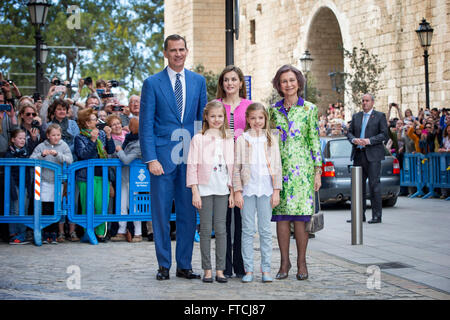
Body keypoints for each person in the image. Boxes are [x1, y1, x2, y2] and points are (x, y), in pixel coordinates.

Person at [139, 34, 207, 280]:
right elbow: (146, 124)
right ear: (165, 53)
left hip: (190, 158)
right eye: (173, 50)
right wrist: (151, 159)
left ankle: (184, 265)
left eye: (182, 49)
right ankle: (163, 265)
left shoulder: (198, 82)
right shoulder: (152, 83)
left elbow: (202, 122)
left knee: (189, 214)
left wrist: (202, 158)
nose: (178, 54)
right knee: (160, 214)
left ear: (187, 51)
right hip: (162, 160)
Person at [268, 65, 322, 281]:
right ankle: (284, 262)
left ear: (298, 82)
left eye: (291, 80)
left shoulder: (309, 109)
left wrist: (317, 171)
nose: (288, 84)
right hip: (279, 170)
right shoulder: (273, 110)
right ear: (279, 85)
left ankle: (301, 262)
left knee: (300, 219)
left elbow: (314, 141)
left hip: (303, 172)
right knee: (281, 219)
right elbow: (269, 140)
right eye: (284, 81)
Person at [186, 100, 234, 283]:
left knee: (221, 229)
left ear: (224, 118)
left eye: (220, 116)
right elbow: (191, 166)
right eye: (212, 116)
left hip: (222, 189)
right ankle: (207, 269)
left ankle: (220, 269)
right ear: (206, 117)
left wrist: (232, 191)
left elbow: (233, 166)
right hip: (204, 190)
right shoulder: (198, 139)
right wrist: (194, 191)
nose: (216, 119)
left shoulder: (229, 139)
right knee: (205, 229)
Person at [233, 102, 282, 283]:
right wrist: (237, 191)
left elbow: (277, 167)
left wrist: (276, 191)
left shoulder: (270, 139)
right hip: (247, 190)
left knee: (265, 231)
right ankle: (249, 270)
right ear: (247, 119)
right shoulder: (241, 139)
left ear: (265, 119)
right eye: (253, 118)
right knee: (247, 230)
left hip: (266, 190)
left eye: (260, 118)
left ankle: (266, 269)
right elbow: (236, 168)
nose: (257, 121)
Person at [216, 65, 252, 279]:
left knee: (242, 219)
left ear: (240, 83)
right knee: (222, 220)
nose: (229, 83)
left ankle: (240, 264)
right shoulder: (215, 106)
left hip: (243, 168)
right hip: (220, 167)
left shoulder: (249, 106)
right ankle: (224, 264)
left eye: (233, 79)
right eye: (226, 80)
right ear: (222, 84)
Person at [74, 108, 115, 242]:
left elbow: (110, 150)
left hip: (102, 175)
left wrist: (109, 137)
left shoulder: (102, 134)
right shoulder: (79, 137)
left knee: (101, 205)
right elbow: (83, 155)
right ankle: (88, 231)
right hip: (86, 177)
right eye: (94, 119)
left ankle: (100, 234)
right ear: (86, 123)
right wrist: (92, 140)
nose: (97, 121)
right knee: (88, 205)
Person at [347, 93, 389, 224]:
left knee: (374, 185)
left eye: (367, 101)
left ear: (372, 102)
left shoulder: (379, 116)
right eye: (363, 101)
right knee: (357, 186)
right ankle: (359, 215)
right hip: (359, 155)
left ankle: (377, 215)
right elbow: (349, 132)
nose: (364, 103)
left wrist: (369, 140)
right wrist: (354, 139)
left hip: (373, 155)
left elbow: (384, 135)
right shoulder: (356, 116)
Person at [30, 124, 74, 243]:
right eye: (53, 135)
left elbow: (70, 159)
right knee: (45, 207)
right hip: (44, 181)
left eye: (58, 135)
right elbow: (31, 159)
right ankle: (45, 232)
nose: (56, 137)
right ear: (48, 135)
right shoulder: (41, 146)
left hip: (58, 182)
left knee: (56, 207)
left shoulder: (63, 145)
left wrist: (57, 155)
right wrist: (42, 155)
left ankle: (54, 233)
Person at [110, 118, 144, 242]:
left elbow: (126, 160)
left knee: (134, 205)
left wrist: (119, 150)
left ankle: (138, 232)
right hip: (124, 177)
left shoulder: (139, 143)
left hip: (134, 179)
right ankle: (121, 230)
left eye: (130, 125)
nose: (127, 127)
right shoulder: (129, 139)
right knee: (122, 204)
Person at [5, 129, 32, 244]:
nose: (22, 140)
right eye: (20, 138)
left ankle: (22, 233)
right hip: (14, 184)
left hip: (25, 184)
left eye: (24, 138)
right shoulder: (9, 153)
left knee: (24, 209)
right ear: (13, 139)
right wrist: (11, 188)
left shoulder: (26, 152)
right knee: (15, 209)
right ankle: (13, 234)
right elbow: (9, 173)